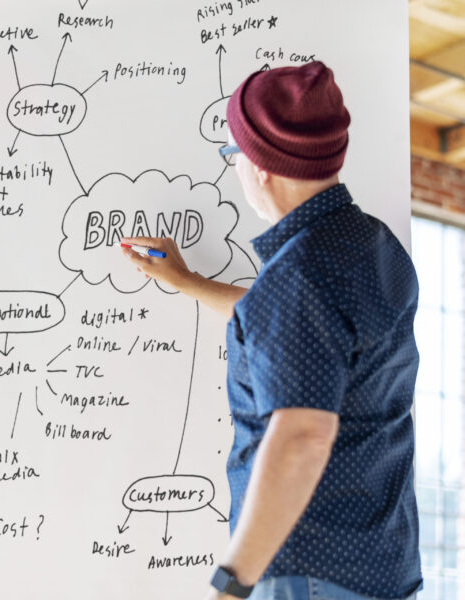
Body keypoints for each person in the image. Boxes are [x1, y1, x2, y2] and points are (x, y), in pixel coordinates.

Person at [120, 61, 423, 600]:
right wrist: (189, 282)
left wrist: (230, 587)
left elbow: (303, 437)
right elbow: (305, 336)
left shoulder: (298, 276)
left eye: (233, 154)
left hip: (307, 571)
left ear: (260, 165)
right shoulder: (374, 246)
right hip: (382, 567)